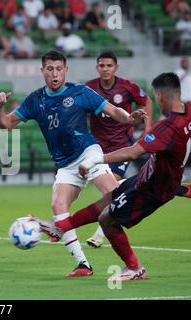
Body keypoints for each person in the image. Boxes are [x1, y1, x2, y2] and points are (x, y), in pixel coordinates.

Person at [0, 49, 147, 277]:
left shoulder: (80, 92)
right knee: (58, 207)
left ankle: (133, 264)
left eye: (58, 69)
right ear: (42, 71)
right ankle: (83, 264)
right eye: (49, 69)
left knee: (114, 195)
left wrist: (128, 117)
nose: (54, 74)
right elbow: (6, 125)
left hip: (88, 153)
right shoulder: (35, 99)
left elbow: (112, 110)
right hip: (65, 165)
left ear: (66, 70)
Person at [36, 72, 191, 281]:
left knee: (107, 219)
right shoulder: (189, 110)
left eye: (155, 97)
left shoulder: (168, 127)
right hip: (152, 177)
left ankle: (134, 268)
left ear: (161, 96)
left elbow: (133, 151)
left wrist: (94, 160)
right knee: (110, 197)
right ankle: (60, 228)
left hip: (153, 187)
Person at [85, 51, 153, 248]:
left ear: (116, 67)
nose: (105, 69)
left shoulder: (126, 87)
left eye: (109, 66)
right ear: (97, 67)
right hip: (96, 147)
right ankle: (128, 187)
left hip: (121, 146)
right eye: (102, 65)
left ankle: (99, 233)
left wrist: (147, 130)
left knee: (111, 186)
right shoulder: (90, 88)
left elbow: (146, 101)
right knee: (111, 189)